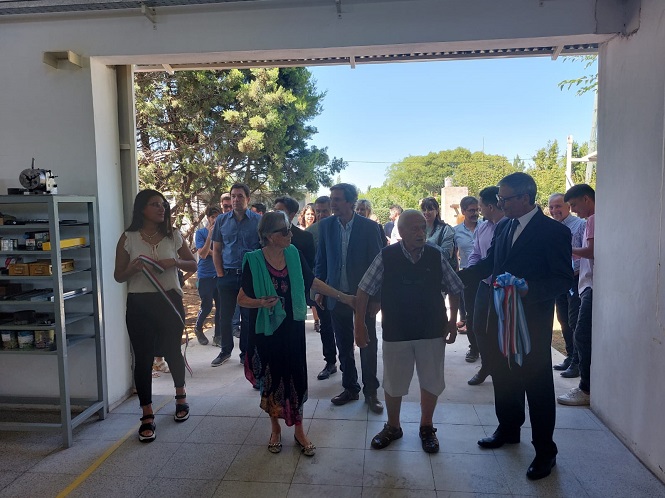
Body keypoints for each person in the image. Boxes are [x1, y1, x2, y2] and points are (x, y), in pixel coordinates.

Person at [459, 172, 573, 480]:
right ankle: (508, 429)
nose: (500, 204)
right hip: (499, 318)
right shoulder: (504, 226)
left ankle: (545, 451)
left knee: (537, 385)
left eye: (504, 198)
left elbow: (563, 279)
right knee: (503, 374)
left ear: (525, 198)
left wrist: (527, 290)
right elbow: (491, 265)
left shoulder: (553, 232)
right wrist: (458, 277)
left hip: (531, 324)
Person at [238, 211, 356, 456]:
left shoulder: (294, 254)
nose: (290, 234)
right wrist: (260, 303)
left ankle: (300, 431)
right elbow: (241, 298)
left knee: (296, 379)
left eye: (290, 229)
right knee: (272, 380)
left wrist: (343, 297)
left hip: (292, 328)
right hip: (267, 330)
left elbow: (312, 281)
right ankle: (275, 429)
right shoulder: (253, 260)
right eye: (285, 231)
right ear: (270, 236)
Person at [355, 210, 463, 453]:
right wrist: (359, 326)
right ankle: (393, 426)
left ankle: (427, 427)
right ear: (401, 232)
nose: (420, 233)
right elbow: (363, 290)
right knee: (393, 382)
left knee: (431, 380)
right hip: (397, 330)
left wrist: (452, 321)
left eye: (423, 228)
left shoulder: (435, 255)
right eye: (414, 228)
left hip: (431, 329)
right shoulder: (386, 256)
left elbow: (455, 287)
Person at [113, 189, 197, 442]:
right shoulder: (128, 238)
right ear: (142, 209)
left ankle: (181, 397)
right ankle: (147, 413)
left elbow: (193, 264)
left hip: (169, 300)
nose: (162, 208)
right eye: (154, 204)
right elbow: (118, 276)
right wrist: (133, 268)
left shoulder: (173, 235)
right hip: (139, 304)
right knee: (143, 357)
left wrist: (175, 262)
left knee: (172, 351)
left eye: (163, 204)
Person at [315, 183, 384, 413]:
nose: (332, 203)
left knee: (367, 345)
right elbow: (321, 260)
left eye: (337, 199)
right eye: (331, 199)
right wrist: (321, 289)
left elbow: (378, 265)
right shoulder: (326, 226)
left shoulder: (370, 227)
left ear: (350, 202)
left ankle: (371, 392)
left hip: (364, 299)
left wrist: (377, 299)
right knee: (343, 345)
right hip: (337, 297)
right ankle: (350, 387)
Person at [210, 183, 261, 367]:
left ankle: (245, 353)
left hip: (249, 275)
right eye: (233, 196)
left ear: (248, 199)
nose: (236, 200)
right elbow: (217, 249)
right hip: (227, 275)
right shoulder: (222, 221)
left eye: (240, 196)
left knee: (248, 317)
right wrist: (220, 274)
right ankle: (225, 351)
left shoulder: (258, 221)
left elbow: (263, 248)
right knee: (225, 316)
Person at [557, 184, 595, 406]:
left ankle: (586, 388)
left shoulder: (592, 220)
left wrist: (566, 249)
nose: (573, 210)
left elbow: (591, 251)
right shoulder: (594, 219)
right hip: (586, 284)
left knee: (580, 334)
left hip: (590, 285)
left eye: (574, 205)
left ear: (586, 199)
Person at [466, 186, 506, 386]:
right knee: (478, 326)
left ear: (491, 206)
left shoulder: (508, 226)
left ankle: (501, 368)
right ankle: (486, 366)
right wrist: (471, 274)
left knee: (501, 329)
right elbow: (475, 254)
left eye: (480, 206)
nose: (479, 210)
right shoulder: (482, 227)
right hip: (484, 284)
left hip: (504, 287)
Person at [548, 193, 586, 378]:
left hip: (575, 279)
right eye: (551, 207)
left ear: (568, 207)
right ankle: (570, 357)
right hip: (558, 281)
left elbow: (584, 253)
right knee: (562, 318)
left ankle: (577, 362)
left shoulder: (580, 225)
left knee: (574, 320)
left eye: (558, 206)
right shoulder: (551, 228)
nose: (554, 210)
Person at [306, 196, 338, 381]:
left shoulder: (340, 229)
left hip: (340, 286)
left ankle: (347, 361)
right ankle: (330, 362)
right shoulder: (310, 232)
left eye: (325, 211)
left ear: (331, 210)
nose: (321, 214)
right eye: (318, 211)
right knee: (325, 326)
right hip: (319, 285)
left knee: (343, 325)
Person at [454, 196, 482, 350]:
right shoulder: (456, 232)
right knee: (470, 313)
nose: (475, 213)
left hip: (486, 274)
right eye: (471, 210)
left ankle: (487, 348)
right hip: (468, 275)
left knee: (486, 311)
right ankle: (474, 348)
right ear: (463, 211)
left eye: (477, 210)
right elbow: (453, 255)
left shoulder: (486, 227)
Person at [192, 205, 221, 346]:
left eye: (217, 216)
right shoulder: (201, 233)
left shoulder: (223, 232)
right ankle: (198, 328)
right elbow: (202, 254)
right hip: (205, 275)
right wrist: (210, 236)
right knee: (207, 306)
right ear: (208, 218)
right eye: (212, 217)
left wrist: (214, 252)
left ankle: (218, 336)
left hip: (220, 274)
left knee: (221, 307)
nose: (214, 219)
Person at [420, 197, 455, 267]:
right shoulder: (418, 228)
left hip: (438, 269)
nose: (426, 212)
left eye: (430, 209)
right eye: (424, 210)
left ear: (437, 211)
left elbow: (446, 254)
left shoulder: (446, 229)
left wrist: (427, 243)